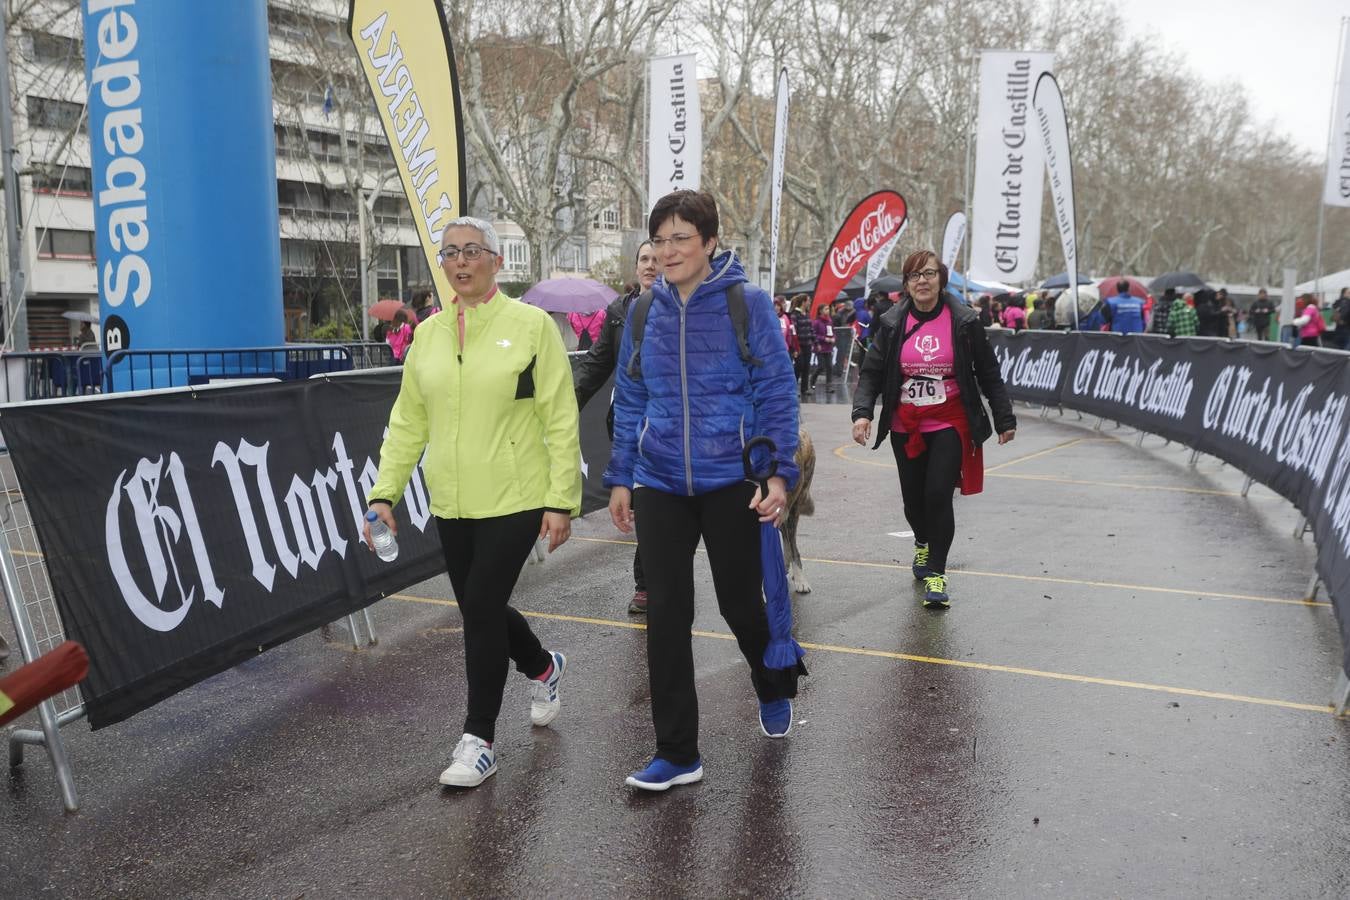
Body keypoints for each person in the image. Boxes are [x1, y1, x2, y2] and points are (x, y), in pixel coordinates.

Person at [365, 216, 581, 789]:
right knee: (479, 609)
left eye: (472, 252)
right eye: (449, 253)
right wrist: (384, 494)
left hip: (516, 495)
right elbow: (408, 422)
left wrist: (561, 500)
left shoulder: (532, 327)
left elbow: (559, 417)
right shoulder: (428, 337)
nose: (460, 263)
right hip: (451, 499)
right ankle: (542, 665)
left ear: (496, 261)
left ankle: (479, 738)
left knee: (481, 606)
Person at [605, 189, 801, 791]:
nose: (667, 250)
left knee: (740, 604)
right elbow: (630, 396)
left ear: (710, 243)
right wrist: (621, 478)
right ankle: (677, 751)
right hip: (661, 479)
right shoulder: (643, 313)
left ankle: (772, 683)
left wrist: (778, 474)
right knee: (666, 612)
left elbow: (777, 391)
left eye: (680, 238)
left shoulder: (749, 305)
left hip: (730, 480)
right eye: (659, 239)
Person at [850, 249, 1016, 609]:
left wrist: (1004, 417)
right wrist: (862, 412)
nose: (922, 281)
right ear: (906, 285)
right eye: (914, 275)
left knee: (938, 494)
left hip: (950, 419)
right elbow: (872, 372)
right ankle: (922, 542)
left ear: (941, 279)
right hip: (905, 421)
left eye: (928, 274)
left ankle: (937, 574)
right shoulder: (892, 322)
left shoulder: (964, 321)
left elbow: (988, 372)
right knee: (913, 499)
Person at [574, 240, 660, 614]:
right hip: (628, 426)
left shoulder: (683, 310)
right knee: (643, 502)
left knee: (660, 504)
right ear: (636, 266)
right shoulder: (618, 312)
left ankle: (661, 575)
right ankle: (646, 583)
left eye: (657, 259)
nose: (651, 265)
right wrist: (563, 408)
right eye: (644, 259)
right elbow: (594, 368)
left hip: (672, 427)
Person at [789, 294, 813, 397]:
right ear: (803, 302)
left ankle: (804, 389)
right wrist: (795, 347)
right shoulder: (795, 314)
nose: (809, 302)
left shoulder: (807, 314)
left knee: (807, 367)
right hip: (799, 345)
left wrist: (814, 341)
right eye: (808, 301)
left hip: (808, 344)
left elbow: (811, 329)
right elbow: (794, 330)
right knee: (799, 366)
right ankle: (793, 388)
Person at [809, 304, 836, 393]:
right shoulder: (816, 322)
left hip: (828, 348)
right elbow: (814, 334)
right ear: (820, 311)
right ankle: (812, 381)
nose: (828, 311)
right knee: (821, 366)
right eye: (826, 309)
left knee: (829, 367)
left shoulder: (829, 321)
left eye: (828, 309)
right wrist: (824, 339)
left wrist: (833, 338)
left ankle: (829, 386)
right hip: (820, 347)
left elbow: (833, 332)